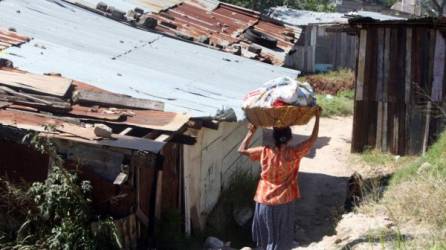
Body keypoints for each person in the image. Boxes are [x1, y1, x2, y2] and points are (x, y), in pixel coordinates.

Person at [238, 108, 321, 250]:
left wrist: (251, 132)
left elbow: (241, 150)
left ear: (274, 137)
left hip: (263, 200)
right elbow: (312, 139)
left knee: (265, 236)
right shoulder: (294, 153)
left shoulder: (264, 151)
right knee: (281, 237)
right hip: (284, 201)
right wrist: (317, 118)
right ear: (289, 138)